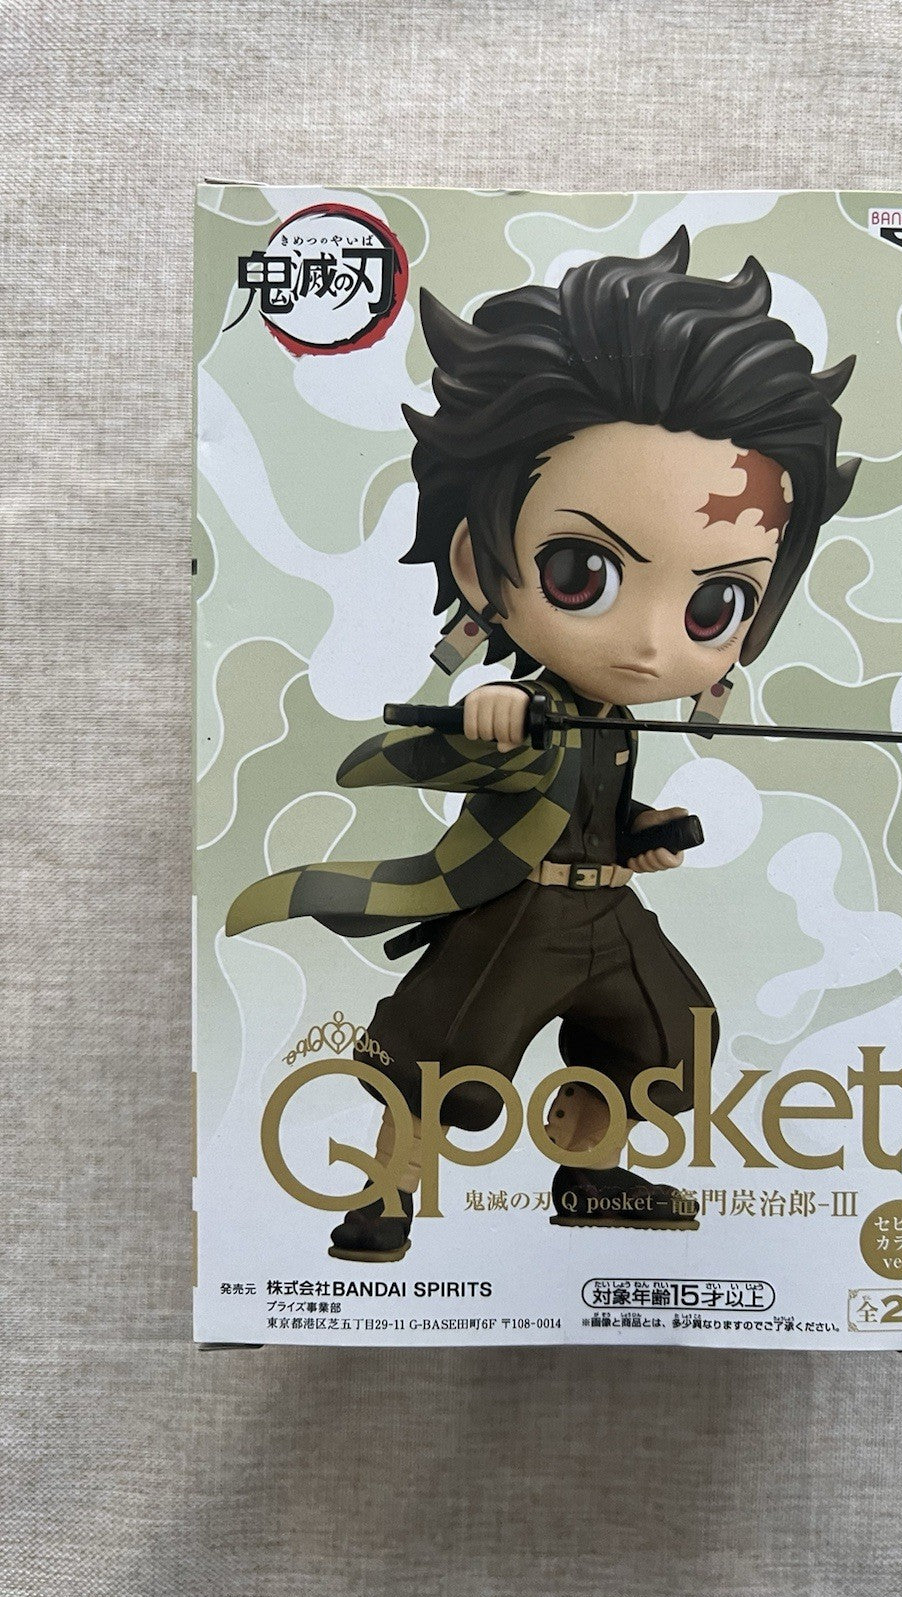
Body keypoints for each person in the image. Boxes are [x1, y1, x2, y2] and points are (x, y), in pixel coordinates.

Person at [226, 227, 858, 1262]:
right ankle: (386, 1197)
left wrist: (648, 831)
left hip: (605, 909)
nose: (650, 644)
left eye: (714, 605)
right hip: (517, 912)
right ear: (483, 566)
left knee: (672, 1036)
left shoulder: (616, 723)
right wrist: (493, 720)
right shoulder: (526, 707)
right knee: (444, 1059)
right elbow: (453, 761)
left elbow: (601, 806)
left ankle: (589, 1170)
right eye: (582, 573)